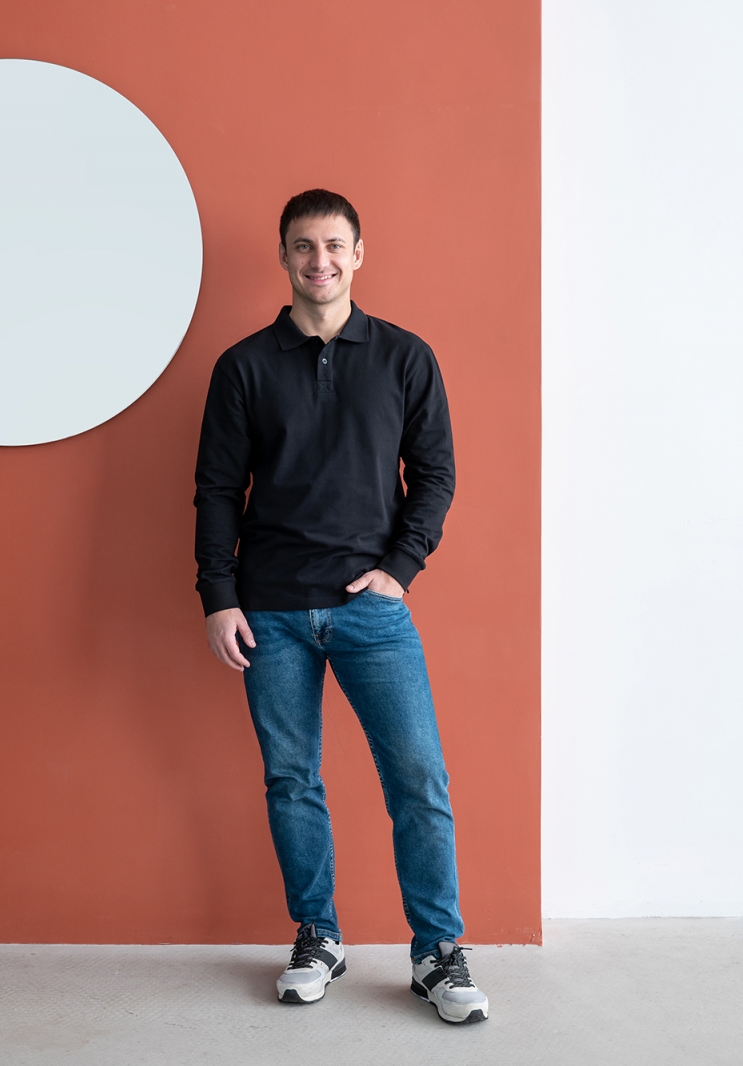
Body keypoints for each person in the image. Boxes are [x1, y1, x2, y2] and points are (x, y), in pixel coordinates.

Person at [193, 189, 488, 1024]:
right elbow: (217, 490)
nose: (318, 260)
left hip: (371, 612)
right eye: (303, 246)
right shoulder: (244, 366)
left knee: (418, 778)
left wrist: (401, 567)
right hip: (271, 611)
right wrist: (219, 596)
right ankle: (318, 935)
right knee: (292, 780)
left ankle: (436, 951)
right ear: (284, 257)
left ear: (358, 254)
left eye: (333, 245)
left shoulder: (405, 357)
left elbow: (435, 475)